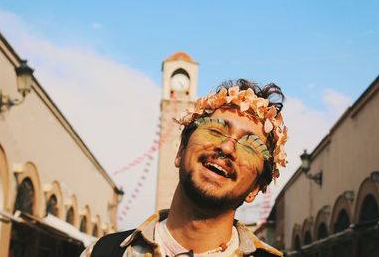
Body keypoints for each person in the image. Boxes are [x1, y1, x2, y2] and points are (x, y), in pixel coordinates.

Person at [81, 79, 288, 257]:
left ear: (254, 189)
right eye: (215, 130)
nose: (227, 147)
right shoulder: (102, 252)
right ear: (181, 151)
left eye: (249, 146)